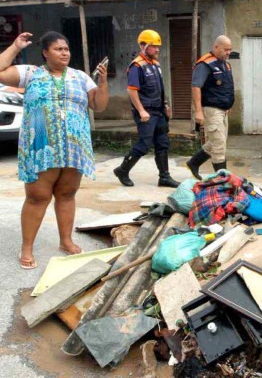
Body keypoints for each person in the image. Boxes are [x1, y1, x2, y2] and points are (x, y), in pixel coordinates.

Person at [0, 31, 109, 269]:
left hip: (74, 147)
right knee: (37, 197)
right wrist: (16, 47)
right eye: (58, 49)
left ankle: (66, 241)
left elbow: (98, 105)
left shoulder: (81, 77)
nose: (64, 53)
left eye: (66, 49)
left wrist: (102, 83)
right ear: (45, 52)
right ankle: (27, 247)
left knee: (67, 194)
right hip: (41, 147)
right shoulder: (30, 73)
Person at [113, 29, 179, 188]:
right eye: (154, 46)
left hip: (159, 111)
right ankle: (122, 170)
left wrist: (165, 105)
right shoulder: (137, 66)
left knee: (162, 143)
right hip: (146, 112)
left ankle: (164, 177)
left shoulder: (155, 65)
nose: (157, 49)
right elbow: (132, 90)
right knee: (144, 144)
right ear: (143, 46)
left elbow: (160, 88)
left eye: (158, 46)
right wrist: (141, 110)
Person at [186, 35, 234, 180]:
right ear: (216, 47)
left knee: (216, 141)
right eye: (226, 50)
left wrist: (227, 104)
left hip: (223, 110)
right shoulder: (205, 64)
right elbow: (196, 86)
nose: (228, 53)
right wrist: (198, 111)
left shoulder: (225, 64)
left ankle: (193, 163)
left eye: (230, 50)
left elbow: (225, 86)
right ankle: (222, 181)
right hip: (211, 110)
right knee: (219, 146)